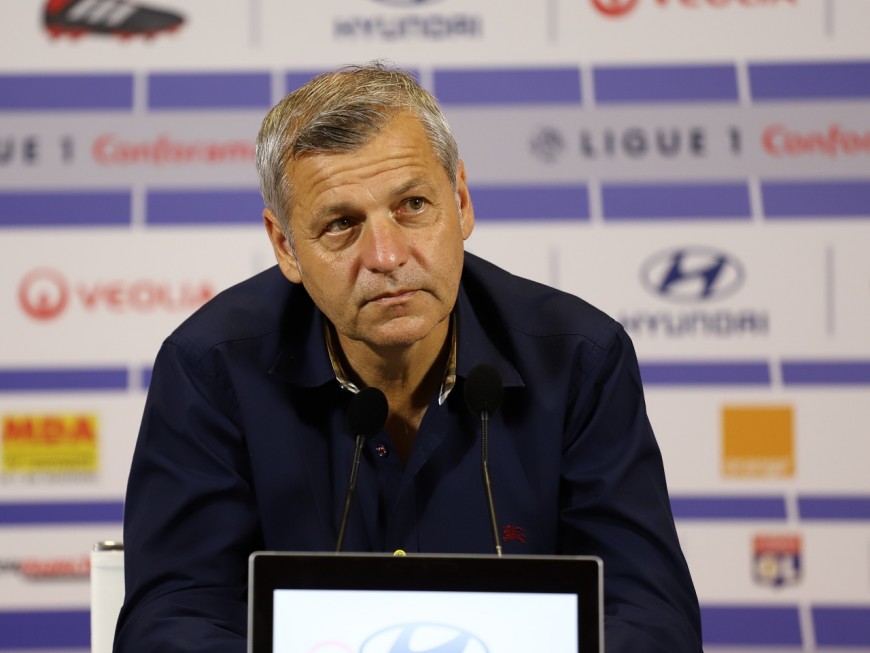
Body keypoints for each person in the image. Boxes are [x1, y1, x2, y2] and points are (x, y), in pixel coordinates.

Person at [114, 62, 703, 652]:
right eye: (342, 224)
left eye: (413, 205)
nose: (387, 255)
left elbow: (649, 614)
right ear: (285, 246)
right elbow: (172, 620)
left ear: (461, 201)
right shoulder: (211, 369)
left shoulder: (578, 359)